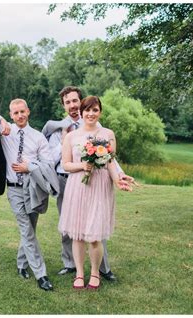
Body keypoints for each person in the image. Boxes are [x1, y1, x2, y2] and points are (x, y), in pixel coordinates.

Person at [42, 86, 134, 281]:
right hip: (70, 182)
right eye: (68, 102)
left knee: (95, 229)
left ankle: (101, 270)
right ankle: (73, 268)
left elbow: (110, 160)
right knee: (72, 230)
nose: (73, 105)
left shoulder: (105, 132)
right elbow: (56, 159)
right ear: (65, 106)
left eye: (75, 101)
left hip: (98, 184)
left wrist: (119, 178)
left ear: (82, 103)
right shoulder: (61, 130)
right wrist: (78, 159)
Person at [0, 99, 59, 291]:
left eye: (22, 112)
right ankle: (41, 274)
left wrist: (30, 167)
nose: (19, 115)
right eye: (15, 113)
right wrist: (1, 121)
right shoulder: (6, 133)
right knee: (26, 229)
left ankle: (21, 265)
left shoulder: (38, 137)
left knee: (30, 229)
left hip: (34, 187)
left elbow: (49, 164)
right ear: (10, 115)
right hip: (14, 189)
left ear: (28, 112)